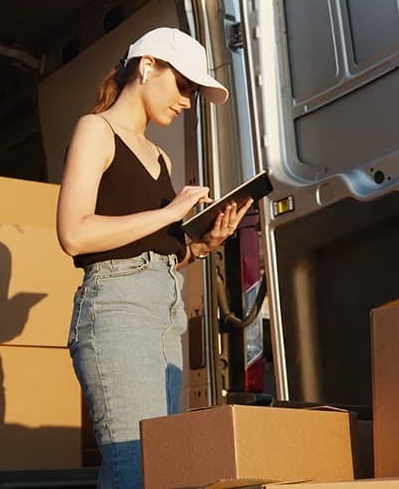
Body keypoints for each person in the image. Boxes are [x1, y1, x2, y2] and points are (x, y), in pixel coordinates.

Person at [55, 27, 253, 489]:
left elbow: (149, 249)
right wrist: (170, 211)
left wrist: (200, 246)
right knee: (136, 470)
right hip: (117, 309)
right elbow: (73, 233)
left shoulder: (161, 158)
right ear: (147, 66)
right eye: (184, 86)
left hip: (164, 314)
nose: (187, 101)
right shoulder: (96, 129)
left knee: (161, 469)